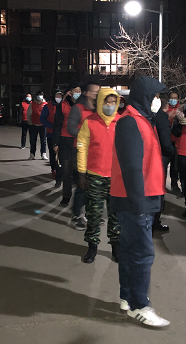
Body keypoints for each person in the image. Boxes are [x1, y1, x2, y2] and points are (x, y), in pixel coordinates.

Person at [111, 76, 170, 328]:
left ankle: (127, 298)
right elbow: (132, 168)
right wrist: (139, 206)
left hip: (141, 198)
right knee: (142, 255)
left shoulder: (143, 120)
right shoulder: (130, 122)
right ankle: (139, 306)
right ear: (144, 96)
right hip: (136, 200)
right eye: (155, 96)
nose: (158, 101)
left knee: (129, 252)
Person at [77, 88, 120, 263]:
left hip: (117, 178)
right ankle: (92, 246)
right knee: (94, 214)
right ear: (100, 102)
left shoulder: (122, 122)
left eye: (113, 102)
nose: (110, 105)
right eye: (106, 102)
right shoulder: (90, 122)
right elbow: (82, 148)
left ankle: (116, 246)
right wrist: (82, 173)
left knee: (116, 214)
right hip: (95, 176)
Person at [65, 81, 100, 229]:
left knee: (95, 184)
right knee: (82, 184)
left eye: (98, 91)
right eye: (95, 92)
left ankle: (90, 213)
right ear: (86, 93)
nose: (97, 94)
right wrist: (88, 135)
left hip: (96, 152)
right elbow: (71, 128)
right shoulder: (78, 108)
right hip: (81, 150)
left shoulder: (98, 109)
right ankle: (77, 215)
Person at [52, 81, 81, 207]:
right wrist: (56, 143)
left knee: (80, 172)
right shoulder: (62, 105)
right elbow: (57, 125)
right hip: (65, 141)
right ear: (70, 92)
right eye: (75, 90)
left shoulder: (84, 105)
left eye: (79, 90)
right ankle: (66, 196)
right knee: (66, 170)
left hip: (80, 141)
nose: (78, 93)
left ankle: (80, 199)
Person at [152, 93, 177, 233]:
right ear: (166, 105)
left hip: (153, 156)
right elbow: (166, 142)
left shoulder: (152, 116)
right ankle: (155, 221)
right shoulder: (163, 118)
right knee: (158, 190)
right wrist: (173, 153)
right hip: (161, 157)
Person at [40, 89, 64, 185]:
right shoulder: (48, 106)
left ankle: (61, 171)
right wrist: (51, 126)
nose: (59, 98)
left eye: (60, 96)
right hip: (51, 134)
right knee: (53, 153)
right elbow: (42, 119)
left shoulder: (64, 105)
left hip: (62, 134)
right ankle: (54, 169)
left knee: (62, 154)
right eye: (57, 96)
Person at [166, 89, 181, 192]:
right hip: (166, 140)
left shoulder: (180, 110)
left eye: (175, 98)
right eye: (171, 98)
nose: (173, 100)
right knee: (164, 164)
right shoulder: (164, 109)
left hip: (177, 142)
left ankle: (174, 184)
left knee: (175, 165)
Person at [27, 91, 48, 160]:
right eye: (38, 95)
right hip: (34, 125)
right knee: (33, 140)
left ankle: (43, 154)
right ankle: (32, 154)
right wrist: (30, 123)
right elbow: (28, 114)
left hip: (43, 125)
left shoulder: (46, 104)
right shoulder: (32, 104)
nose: (39, 96)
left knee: (43, 141)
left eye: (40, 95)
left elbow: (48, 114)